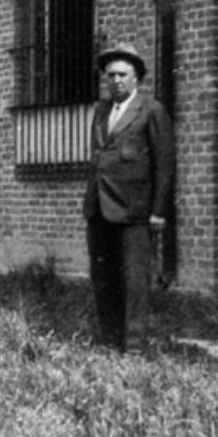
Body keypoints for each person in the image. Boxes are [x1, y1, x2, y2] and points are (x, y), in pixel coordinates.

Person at [83, 43, 175, 354]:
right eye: (111, 76)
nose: (116, 81)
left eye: (123, 75)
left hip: (134, 210)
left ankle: (134, 347)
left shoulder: (151, 111)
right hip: (99, 208)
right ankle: (110, 341)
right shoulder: (101, 111)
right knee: (104, 278)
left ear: (136, 78)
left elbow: (165, 165)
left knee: (135, 282)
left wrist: (158, 212)